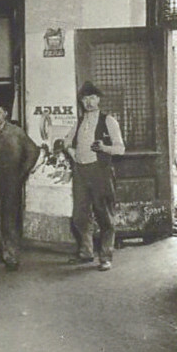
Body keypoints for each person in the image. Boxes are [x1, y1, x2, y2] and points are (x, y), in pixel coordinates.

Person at [64, 81, 126, 271]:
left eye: (92, 98)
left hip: (100, 171)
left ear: (98, 99)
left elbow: (121, 149)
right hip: (81, 172)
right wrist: (75, 157)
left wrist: (104, 148)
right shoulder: (79, 122)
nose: (89, 102)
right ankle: (86, 252)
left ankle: (105, 257)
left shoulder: (109, 121)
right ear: (81, 101)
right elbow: (67, 142)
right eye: (85, 98)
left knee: (104, 215)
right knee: (79, 216)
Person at [0, 99, 40, 271]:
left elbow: (34, 151)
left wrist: (22, 172)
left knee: (9, 219)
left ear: (5, 114)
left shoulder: (16, 132)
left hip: (11, 180)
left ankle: (12, 256)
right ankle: (4, 250)